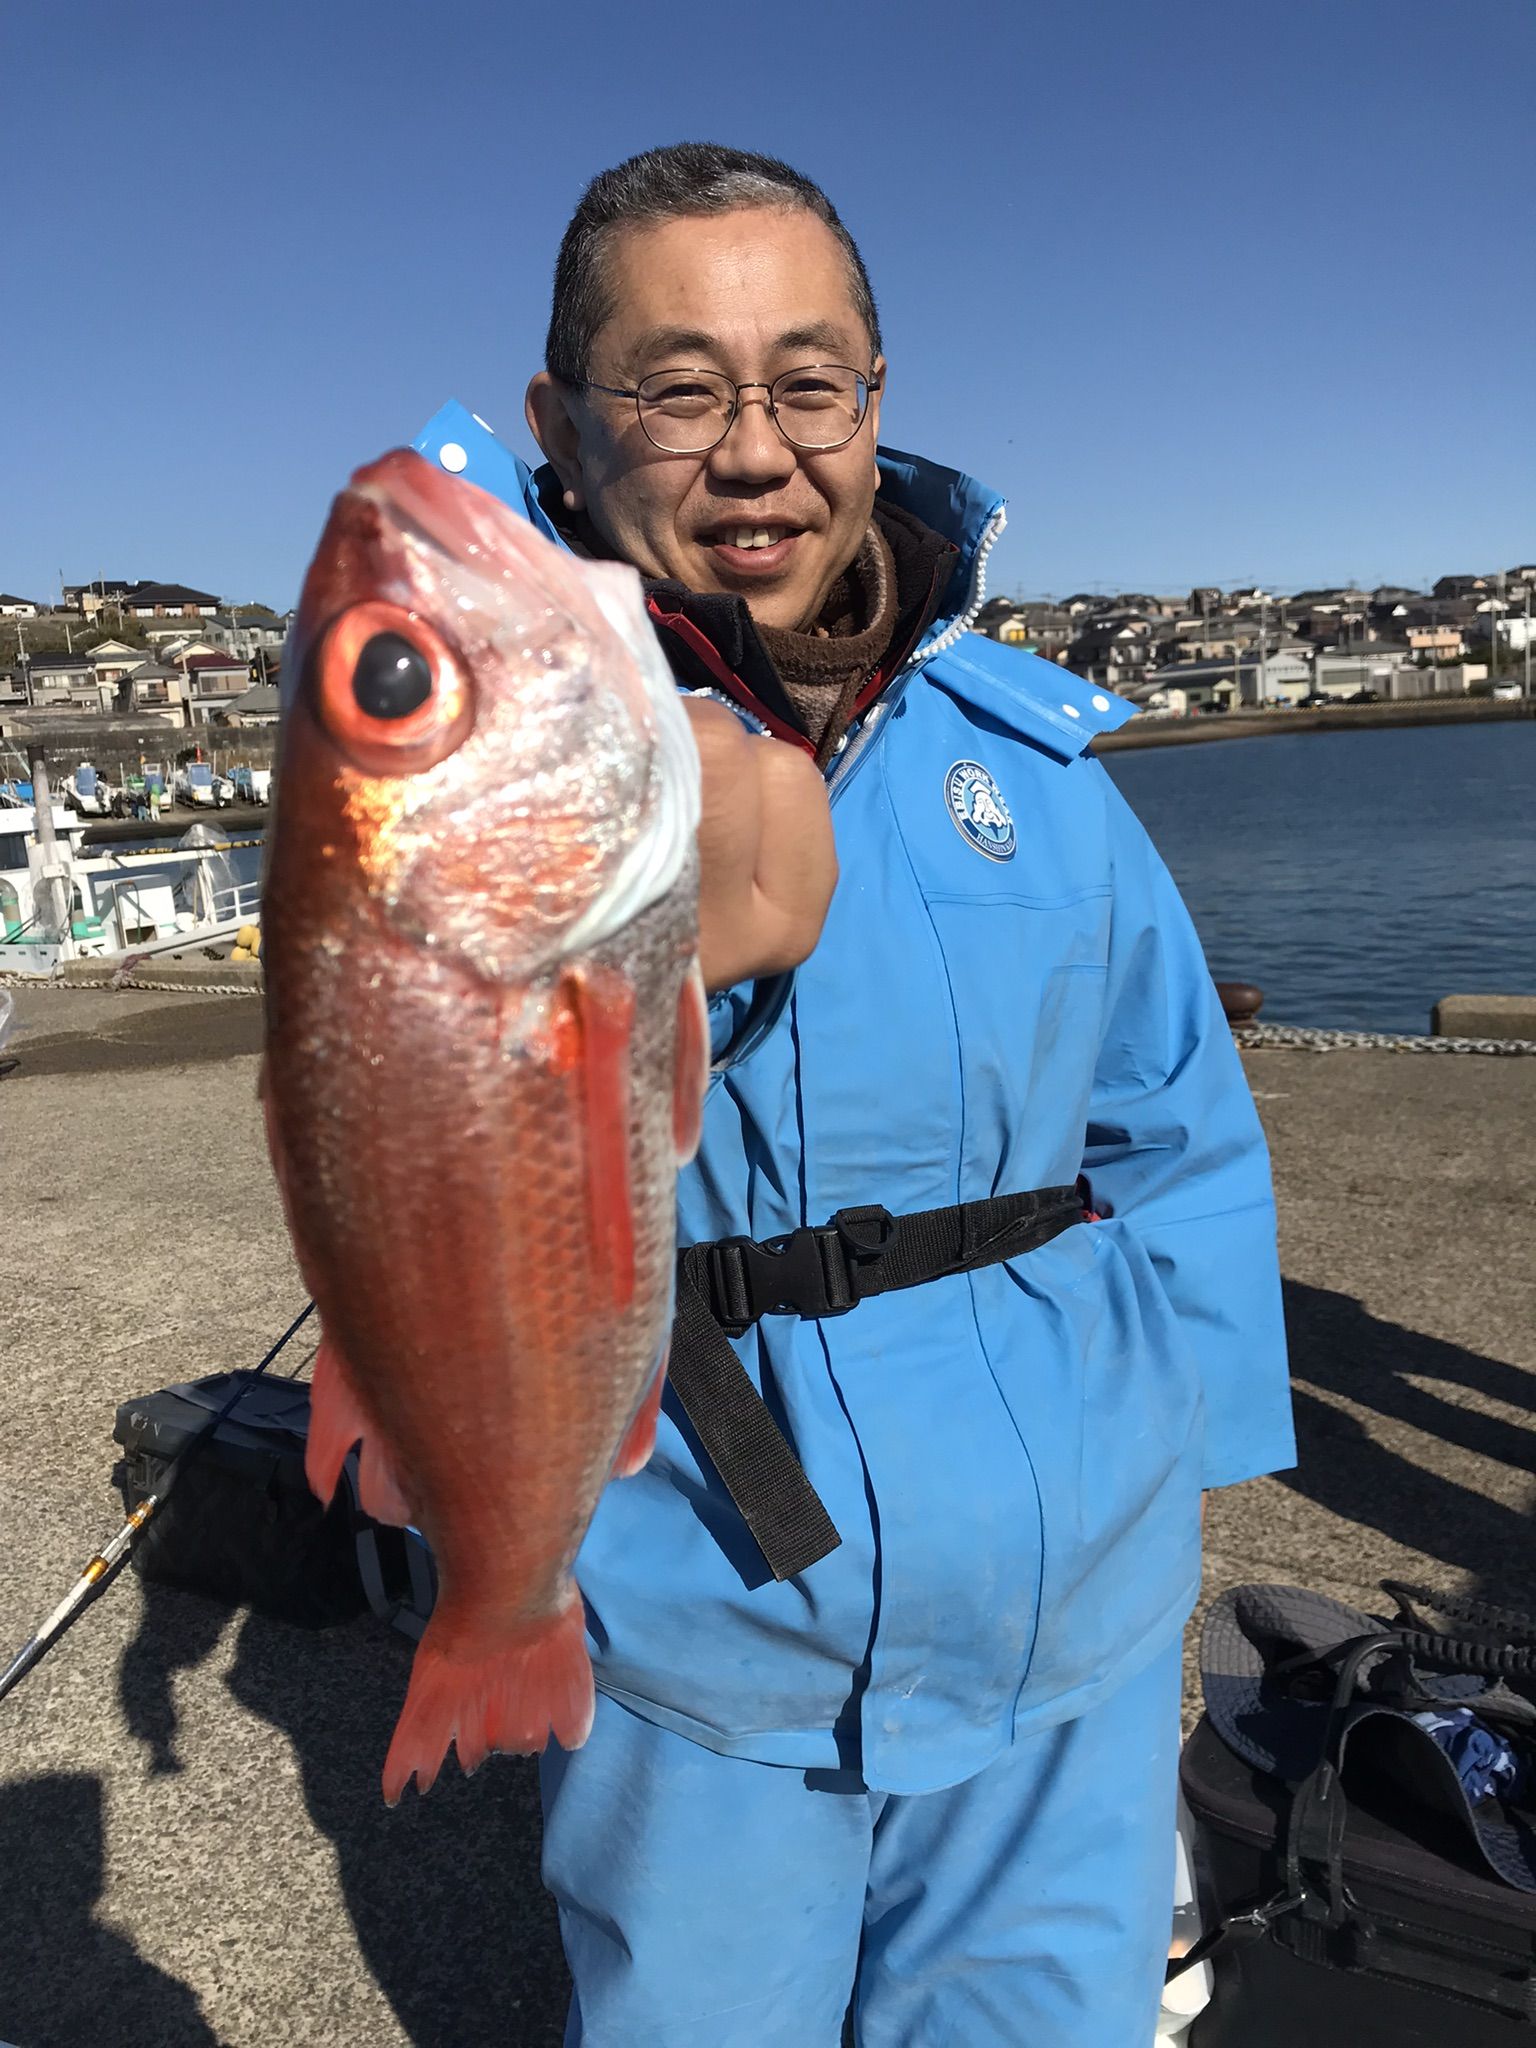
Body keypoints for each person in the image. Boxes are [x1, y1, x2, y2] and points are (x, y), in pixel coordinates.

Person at [412, 142, 1295, 2048]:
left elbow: (1174, 1115)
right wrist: (660, 962)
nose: (757, 452)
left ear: (875, 405)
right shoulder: (476, 769)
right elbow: (410, 1167)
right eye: (678, 389)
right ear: (561, 424)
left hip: (1081, 1604)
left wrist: (1192, 1445)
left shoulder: (1030, 759)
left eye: (808, 385)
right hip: (702, 1595)